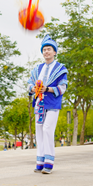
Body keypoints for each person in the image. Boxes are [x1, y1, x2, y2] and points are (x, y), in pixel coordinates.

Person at [28, 35, 68, 174]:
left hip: (52, 104)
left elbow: (63, 88)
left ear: (55, 52)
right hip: (39, 104)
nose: (46, 52)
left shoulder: (60, 69)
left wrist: (48, 89)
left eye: (49, 49)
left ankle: (49, 163)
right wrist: (33, 88)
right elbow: (29, 84)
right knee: (39, 131)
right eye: (44, 49)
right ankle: (40, 162)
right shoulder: (37, 69)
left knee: (47, 129)